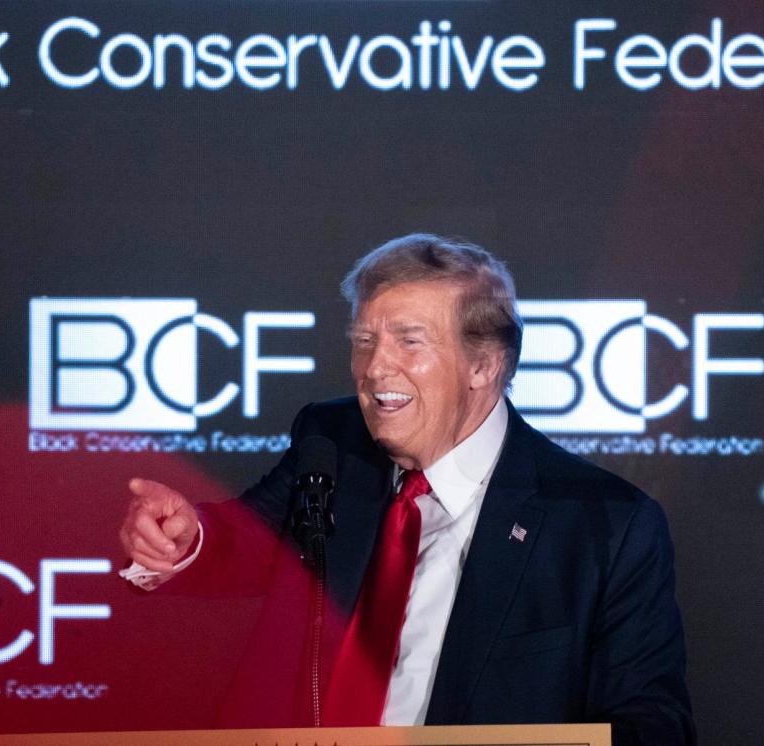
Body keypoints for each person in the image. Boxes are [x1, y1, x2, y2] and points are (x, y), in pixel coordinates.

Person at [119, 233, 694, 744]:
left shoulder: (604, 525)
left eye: (409, 342)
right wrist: (187, 537)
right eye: (365, 340)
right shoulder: (332, 443)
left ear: (483, 365)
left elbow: (650, 721)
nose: (373, 368)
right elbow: (245, 541)